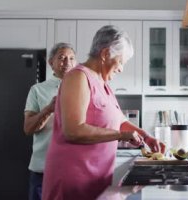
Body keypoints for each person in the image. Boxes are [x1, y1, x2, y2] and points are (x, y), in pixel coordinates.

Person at [42, 25, 165, 200]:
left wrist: (146, 136)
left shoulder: (104, 84)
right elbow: (73, 131)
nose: (121, 68)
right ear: (106, 53)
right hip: (73, 180)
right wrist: (120, 135)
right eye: (121, 61)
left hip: (96, 180)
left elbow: (120, 121)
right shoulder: (78, 77)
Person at [23, 42, 76, 200]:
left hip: (74, 171)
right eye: (62, 58)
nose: (67, 62)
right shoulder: (37, 90)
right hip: (43, 171)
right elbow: (28, 128)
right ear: (51, 62)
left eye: (72, 58)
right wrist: (48, 109)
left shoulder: (85, 90)